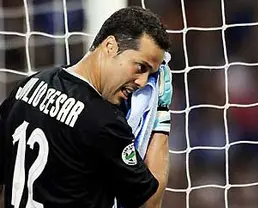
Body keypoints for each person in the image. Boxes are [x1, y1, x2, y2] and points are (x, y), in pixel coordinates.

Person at [0, 6, 171, 208]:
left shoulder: (29, 85)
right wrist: (162, 117)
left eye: (150, 75)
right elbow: (149, 203)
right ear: (110, 46)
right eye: (141, 67)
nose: (142, 82)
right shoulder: (104, 122)